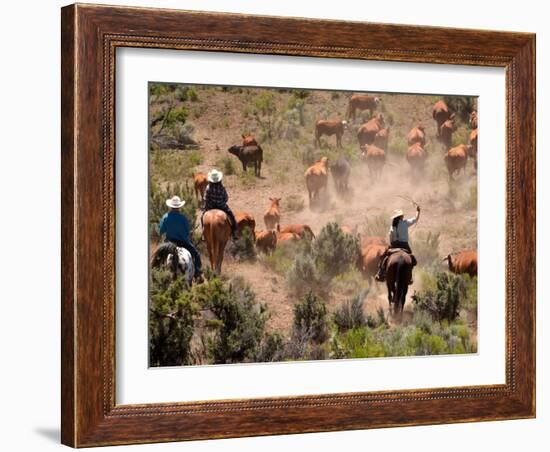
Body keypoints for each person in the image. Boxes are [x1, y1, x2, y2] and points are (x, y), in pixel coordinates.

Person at [159, 195, 203, 280]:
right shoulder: (183, 218)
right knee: (196, 254)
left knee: (159, 256)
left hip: (169, 243)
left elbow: (161, 231)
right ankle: (198, 273)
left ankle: (157, 272)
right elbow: (187, 232)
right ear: (179, 207)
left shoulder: (165, 217)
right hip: (183, 242)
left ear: (170, 206)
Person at [375, 206, 420, 283]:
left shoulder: (393, 226)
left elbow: (391, 236)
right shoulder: (405, 223)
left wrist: (392, 244)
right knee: (412, 260)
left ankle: (381, 273)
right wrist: (418, 211)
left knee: (384, 257)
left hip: (394, 245)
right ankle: (409, 276)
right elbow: (415, 219)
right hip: (405, 245)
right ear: (401, 216)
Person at [202, 169, 238, 239]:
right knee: (231, 216)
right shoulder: (222, 187)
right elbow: (226, 198)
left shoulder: (208, 188)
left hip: (210, 207)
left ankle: (203, 233)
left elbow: (205, 198)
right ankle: (234, 232)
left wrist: (208, 204)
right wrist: (221, 202)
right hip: (222, 206)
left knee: (202, 217)